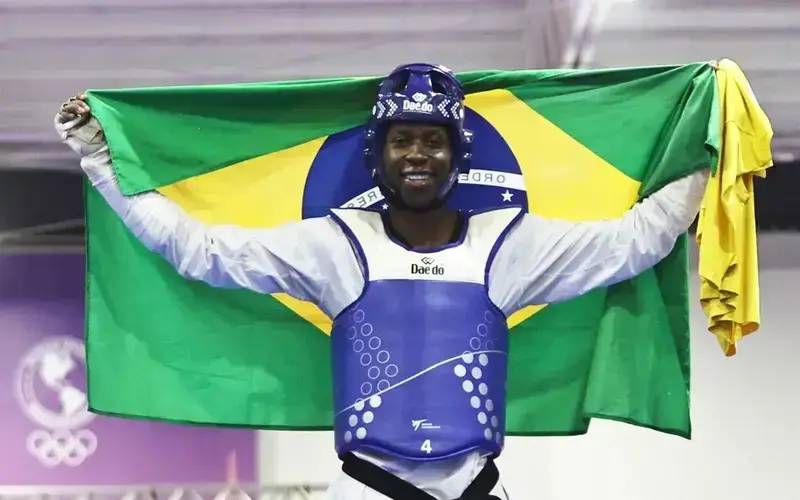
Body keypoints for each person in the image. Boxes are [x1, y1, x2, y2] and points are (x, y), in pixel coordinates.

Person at [57, 63, 708, 500]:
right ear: (378, 153)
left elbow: (636, 241)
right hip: (367, 487)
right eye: (402, 140)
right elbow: (198, 251)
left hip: (477, 486)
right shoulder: (334, 245)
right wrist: (100, 160)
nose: (419, 152)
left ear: (458, 152)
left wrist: (708, 148)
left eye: (434, 138)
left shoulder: (509, 245)